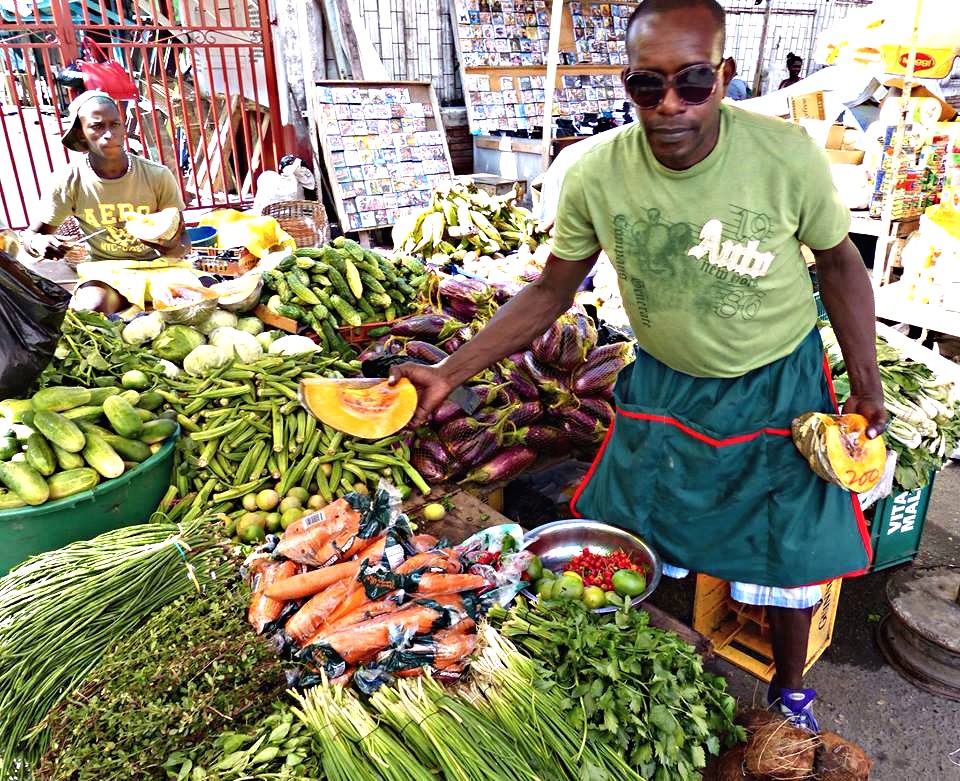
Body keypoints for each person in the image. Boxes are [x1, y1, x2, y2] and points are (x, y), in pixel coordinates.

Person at [391, 0, 887, 732]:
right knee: (629, 521)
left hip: (776, 381)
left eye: (691, 82)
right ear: (627, 86)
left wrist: (866, 383)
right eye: (647, 87)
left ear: (723, 76)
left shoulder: (785, 159)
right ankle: (605, 642)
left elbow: (843, 268)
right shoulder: (596, 171)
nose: (670, 107)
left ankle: (790, 692)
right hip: (664, 382)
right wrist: (449, 371)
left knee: (786, 545)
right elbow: (551, 290)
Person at [20, 90, 193, 314]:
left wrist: (169, 247)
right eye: (97, 126)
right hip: (108, 273)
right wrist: (40, 244)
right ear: (81, 133)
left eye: (115, 124)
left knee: (208, 296)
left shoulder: (157, 175)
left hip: (161, 267)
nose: (109, 134)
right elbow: (30, 236)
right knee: (89, 308)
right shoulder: (68, 180)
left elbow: (184, 241)